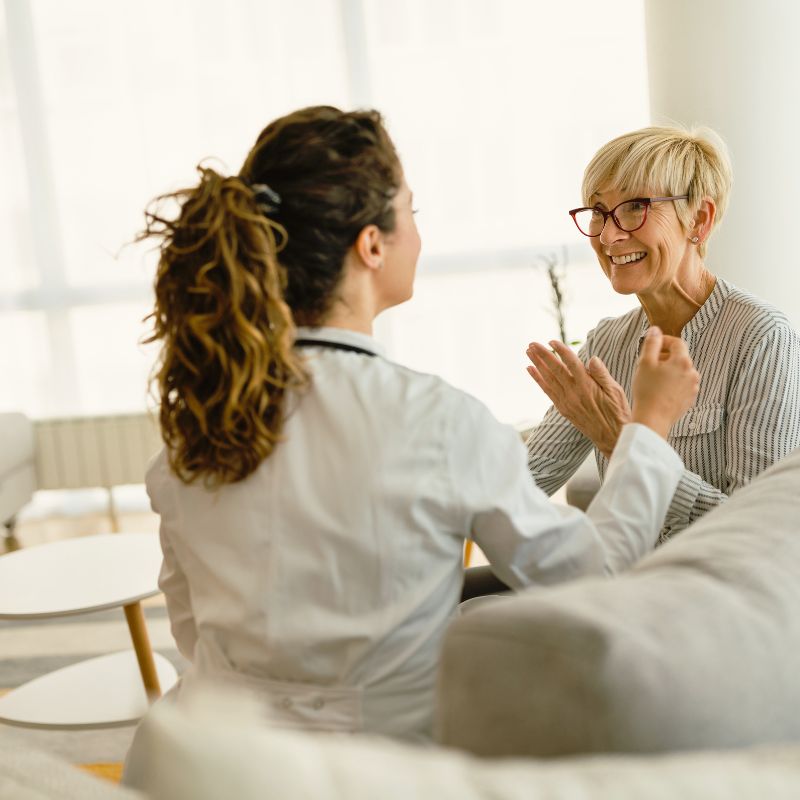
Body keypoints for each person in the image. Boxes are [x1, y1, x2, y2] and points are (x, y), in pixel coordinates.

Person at [141, 106, 698, 743]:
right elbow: (588, 576)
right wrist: (648, 426)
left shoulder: (198, 425)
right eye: (410, 210)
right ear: (372, 244)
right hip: (384, 768)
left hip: (208, 759)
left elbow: (190, 627)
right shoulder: (437, 422)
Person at [526, 125, 800, 541]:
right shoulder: (606, 345)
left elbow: (758, 534)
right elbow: (522, 483)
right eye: (598, 211)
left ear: (699, 220)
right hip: (626, 589)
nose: (609, 235)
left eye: (635, 207)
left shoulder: (761, 338)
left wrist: (627, 446)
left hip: (719, 598)